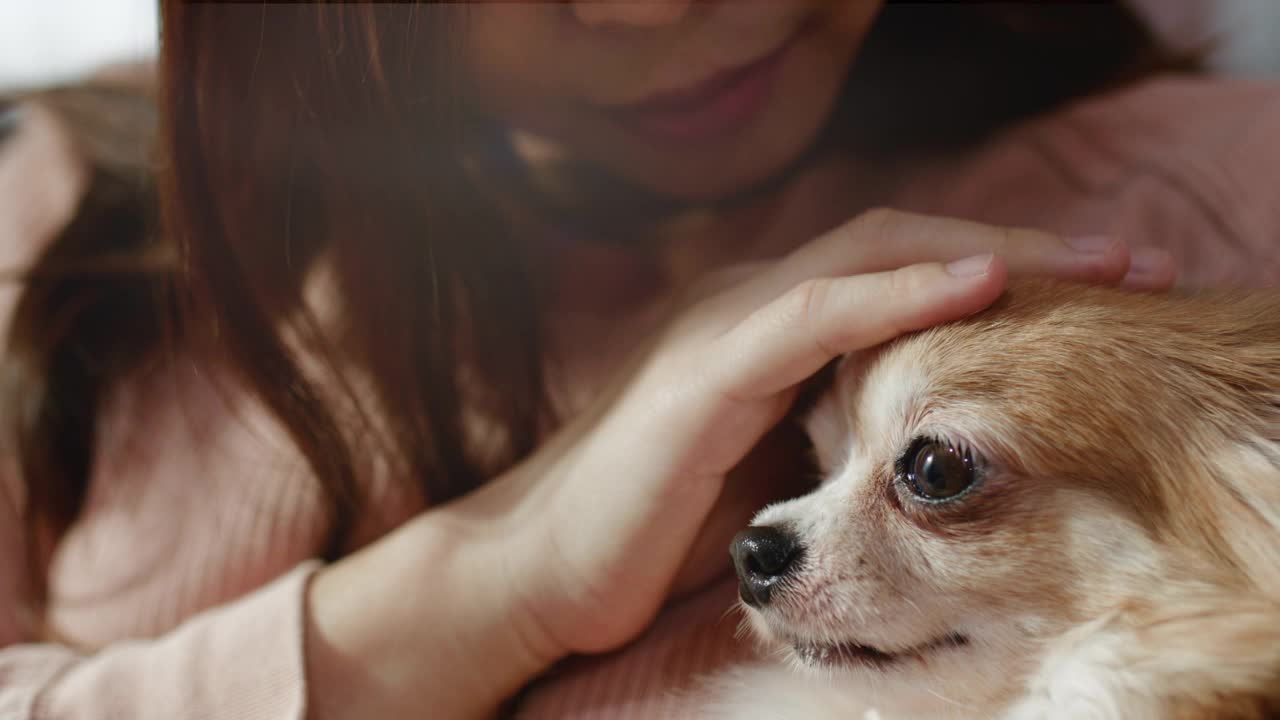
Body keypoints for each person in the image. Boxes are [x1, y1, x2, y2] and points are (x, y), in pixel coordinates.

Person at [0, 2, 1276, 718]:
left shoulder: (1225, 205)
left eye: (941, 470)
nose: (661, 3)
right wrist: (502, 574)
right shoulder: (55, 211)